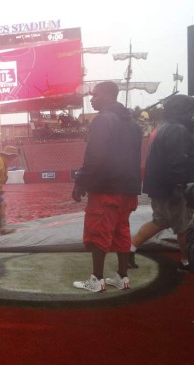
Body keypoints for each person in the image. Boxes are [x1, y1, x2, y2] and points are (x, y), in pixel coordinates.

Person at [72, 81, 142, 292]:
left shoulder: (103, 120)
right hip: (128, 188)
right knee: (122, 231)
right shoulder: (133, 124)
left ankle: (97, 280)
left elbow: (95, 156)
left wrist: (81, 181)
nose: (92, 99)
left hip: (106, 187)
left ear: (108, 96)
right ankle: (122, 277)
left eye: (95, 95)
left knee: (97, 231)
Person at [129, 94, 194, 272]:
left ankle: (130, 249)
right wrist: (181, 187)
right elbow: (178, 162)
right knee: (184, 227)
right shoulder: (178, 129)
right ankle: (185, 262)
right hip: (174, 189)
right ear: (185, 110)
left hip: (159, 187)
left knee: (159, 221)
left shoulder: (163, 126)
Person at [0, 145, 20, 235]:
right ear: (9, 155)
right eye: (13, 156)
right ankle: (3, 228)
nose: (14, 158)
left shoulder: (3, 162)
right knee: (2, 204)